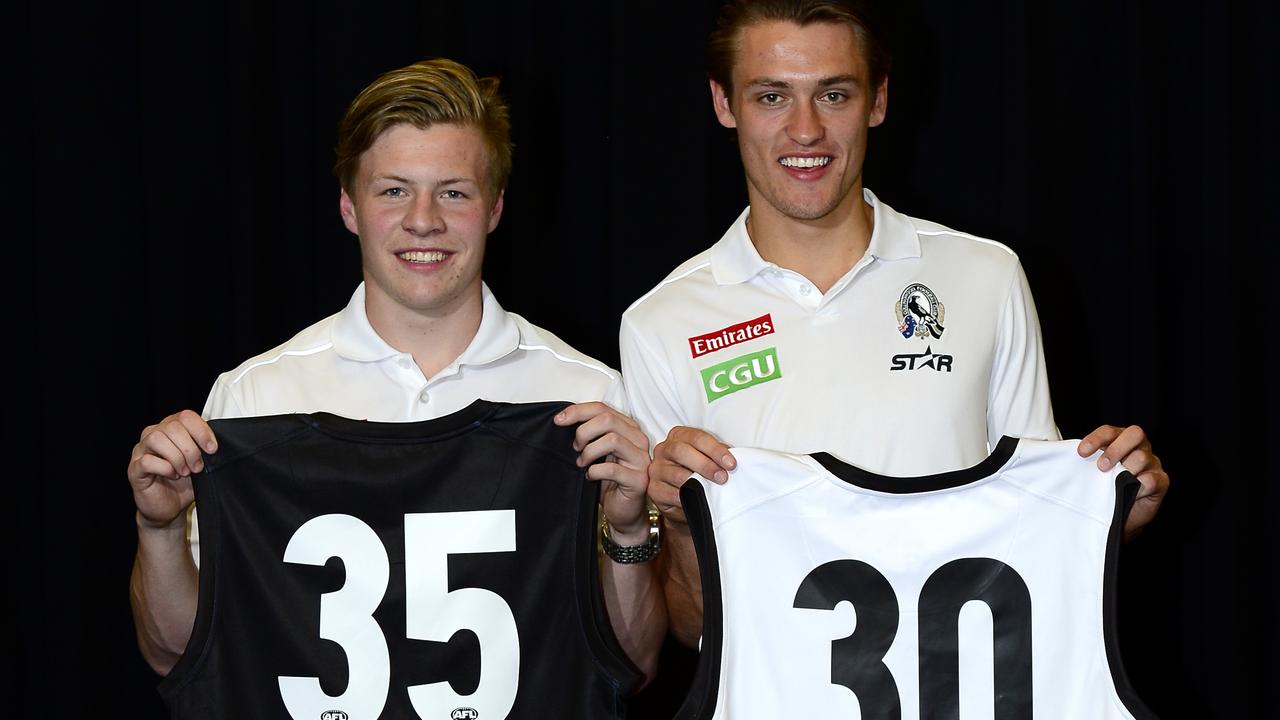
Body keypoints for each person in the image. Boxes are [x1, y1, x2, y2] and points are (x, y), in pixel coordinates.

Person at [619, 0, 1170, 648]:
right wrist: (683, 531)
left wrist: (1109, 520)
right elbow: (698, 634)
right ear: (723, 103)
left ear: (877, 101)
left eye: (834, 94)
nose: (805, 130)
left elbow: (1035, 550)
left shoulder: (984, 277)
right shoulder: (661, 323)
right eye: (771, 96)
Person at [127, 58, 665, 693]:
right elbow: (176, 655)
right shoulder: (254, 398)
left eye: (454, 192)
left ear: (494, 207)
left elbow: (628, 671)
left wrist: (629, 531)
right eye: (393, 190)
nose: (423, 220)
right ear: (349, 207)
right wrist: (158, 530)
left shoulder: (586, 399)